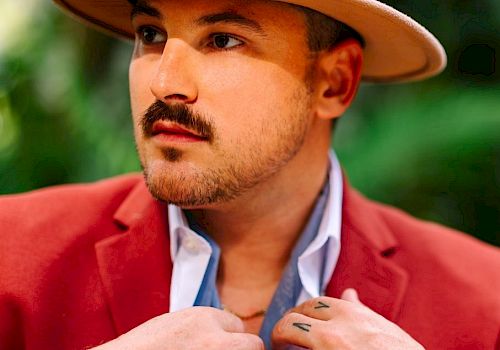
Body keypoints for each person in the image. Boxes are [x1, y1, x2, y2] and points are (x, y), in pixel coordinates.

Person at [0, 0, 499, 349]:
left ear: (336, 81)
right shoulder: (11, 252)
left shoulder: (486, 302)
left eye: (223, 39)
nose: (164, 81)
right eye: (151, 34)